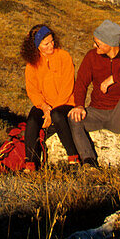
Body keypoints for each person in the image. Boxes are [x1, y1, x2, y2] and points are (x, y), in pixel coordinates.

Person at [68, 19, 120, 165]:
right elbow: (81, 83)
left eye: (97, 43)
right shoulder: (92, 56)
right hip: (96, 112)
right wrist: (79, 105)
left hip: (119, 116)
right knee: (74, 117)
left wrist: (115, 78)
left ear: (109, 43)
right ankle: (89, 161)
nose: (94, 45)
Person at [20, 23, 81, 173]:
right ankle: (30, 162)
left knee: (57, 115)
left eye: (52, 41)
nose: (51, 45)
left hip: (65, 102)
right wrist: (44, 107)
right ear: (36, 46)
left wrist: (51, 110)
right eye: (46, 43)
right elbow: (32, 91)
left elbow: (68, 86)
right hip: (45, 105)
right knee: (33, 119)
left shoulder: (64, 56)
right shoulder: (31, 65)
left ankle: (73, 157)